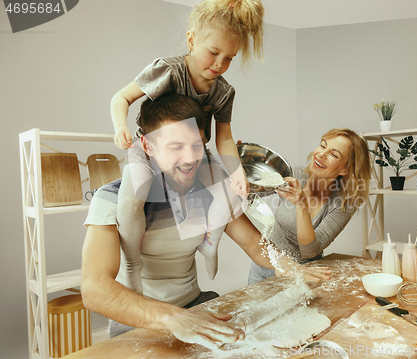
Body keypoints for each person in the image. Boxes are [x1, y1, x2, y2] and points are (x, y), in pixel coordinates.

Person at [81, 93, 331, 349]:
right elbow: (94, 289)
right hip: (140, 319)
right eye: (176, 147)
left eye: (197, 145)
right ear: (147, 146)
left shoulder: (210, 191)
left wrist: (289, 266)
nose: (191, 158)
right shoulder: (111, 198)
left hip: (196, 307)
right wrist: (172, 317)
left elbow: (255, 245)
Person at [111, 0, 264, 297]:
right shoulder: (167, 70)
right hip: (152, 149)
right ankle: (131, 264)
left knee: (227, 192)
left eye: (230, 58)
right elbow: (121, 98)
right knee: (132, 196)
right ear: (192, 39)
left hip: (195, 155)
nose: (220, 64)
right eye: (214, 52)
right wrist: (120, 126)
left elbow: (223, 139)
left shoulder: (224, 91)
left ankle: (210, 243)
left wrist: (237, 173)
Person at [248, 128, 372, 285]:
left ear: (345, 169)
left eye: (334, 154)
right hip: (265, 266)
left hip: (305, 273)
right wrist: (244, 167)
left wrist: (302, 205)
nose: (321, 154)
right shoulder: (293, 175)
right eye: (322, 145)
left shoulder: (344, 203)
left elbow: (309, 251)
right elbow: (249, 191)